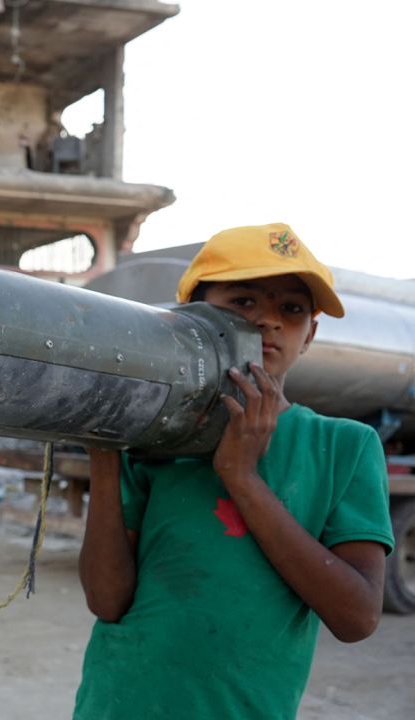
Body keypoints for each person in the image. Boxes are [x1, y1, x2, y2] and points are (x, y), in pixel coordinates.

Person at [73, 223, 394, 719]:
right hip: (120, 704)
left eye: (291, 309)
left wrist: (241, 478)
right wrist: (104, 452)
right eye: (243, 302)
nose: (267, 320)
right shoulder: (154, 440)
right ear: (192, 316)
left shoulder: (343, 447)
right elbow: (107, 601)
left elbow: (356, 617)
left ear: (309, 334)